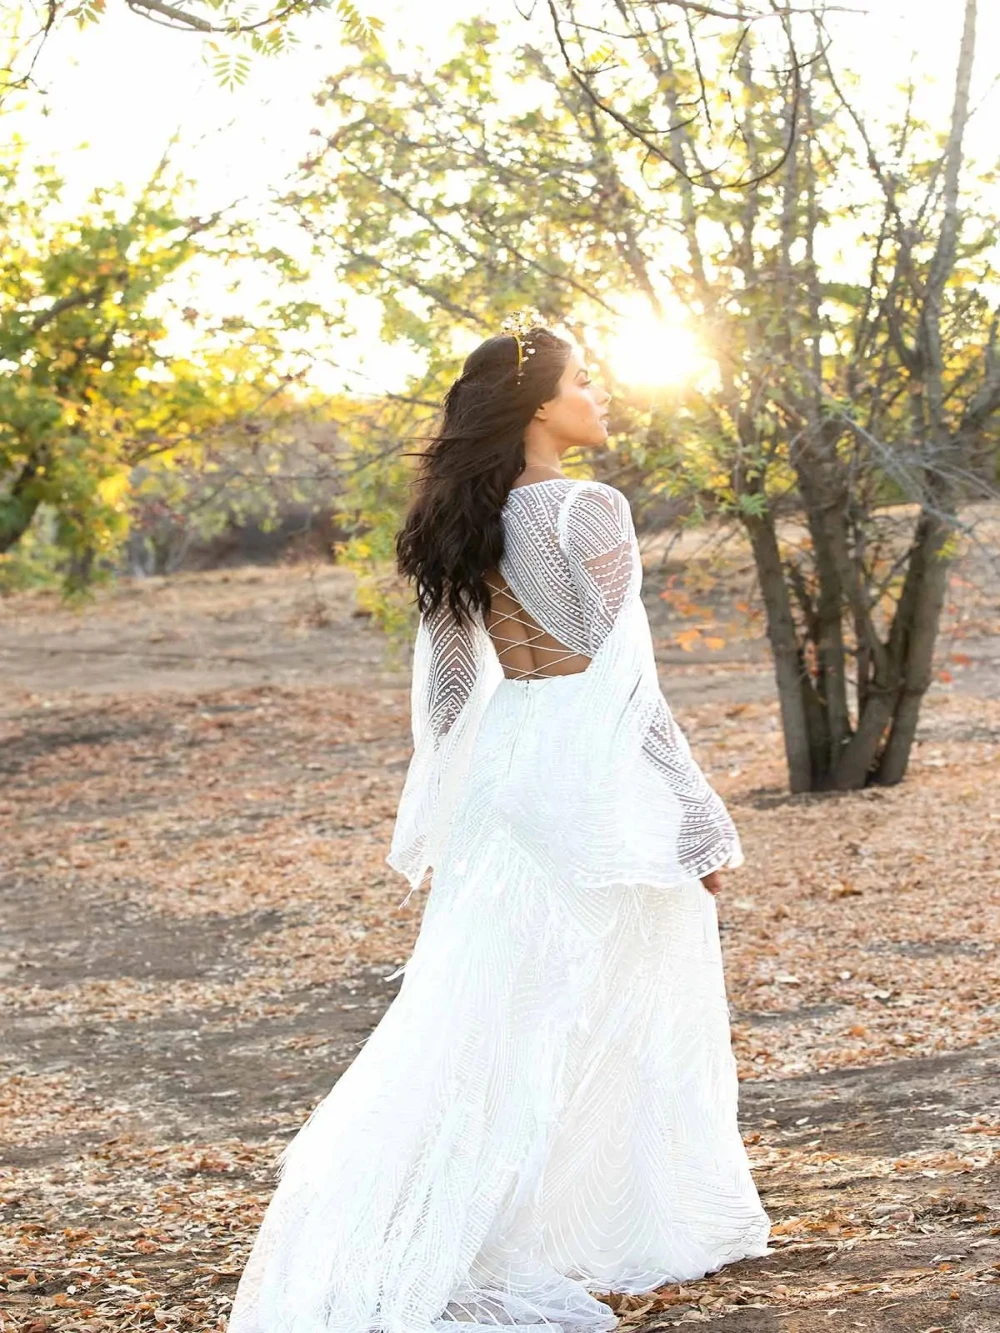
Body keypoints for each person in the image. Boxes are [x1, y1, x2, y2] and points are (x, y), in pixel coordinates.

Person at [226, 322, 771, 1333]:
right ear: (536, 407)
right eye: (582, 383)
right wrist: (698, 812)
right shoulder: (586, 507)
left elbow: (453, 688)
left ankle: (463, 1222)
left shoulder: (457, 519)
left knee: (487, 1009)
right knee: (629, 987)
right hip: (587, 768)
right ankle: (615, 1222)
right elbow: (621, 681)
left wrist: (444, 810)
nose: (600, 397)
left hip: (504, 768)